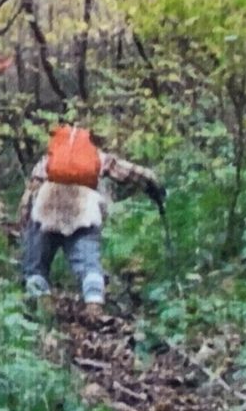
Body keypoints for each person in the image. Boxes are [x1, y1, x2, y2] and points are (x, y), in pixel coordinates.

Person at [19, 123, 162, 308]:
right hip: (83, 209)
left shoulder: (48, 160)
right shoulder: (97, 157)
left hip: (46, 208)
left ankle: (42, 307)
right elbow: (132, 173)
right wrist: (154, 186)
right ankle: (94, 305)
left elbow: (29, 194)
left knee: (36, 266)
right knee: (89, 264)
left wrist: (25, 224)